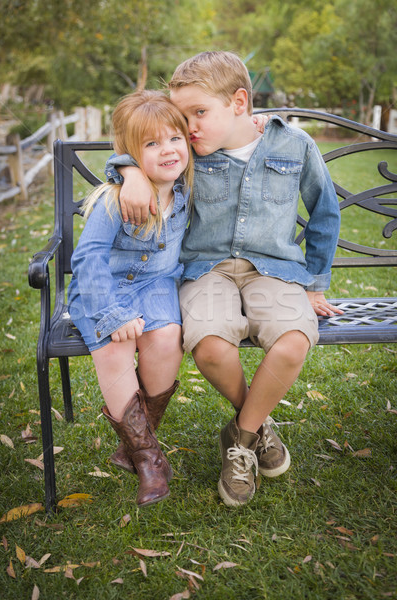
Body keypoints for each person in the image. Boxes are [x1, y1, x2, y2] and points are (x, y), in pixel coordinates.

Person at [104, 51, 343, 507]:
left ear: (239, 102)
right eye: (184, 116)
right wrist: (129, 170)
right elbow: (141, 142)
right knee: (211, 346)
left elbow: (325, 213)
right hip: (206, 270)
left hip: (274, 270)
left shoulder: (293, 144)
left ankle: (243, 438)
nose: (189, 127)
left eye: (199, 113)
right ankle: (260, 424)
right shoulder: (189, 149)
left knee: (293, 341)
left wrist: (315, 282)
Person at [67, 90, 193, 507]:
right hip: (101, 287)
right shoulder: (115, 198)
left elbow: (230, 138)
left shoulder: (186, 188)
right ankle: (149, 459)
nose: (169, 151)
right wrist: (111, 312)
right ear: (131, 155)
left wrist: (260, 124)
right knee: (115, 346)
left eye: (175, 138)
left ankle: (135, 442)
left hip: (156, 284)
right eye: (152, 144)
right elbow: (87, 260)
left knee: (166, 338)